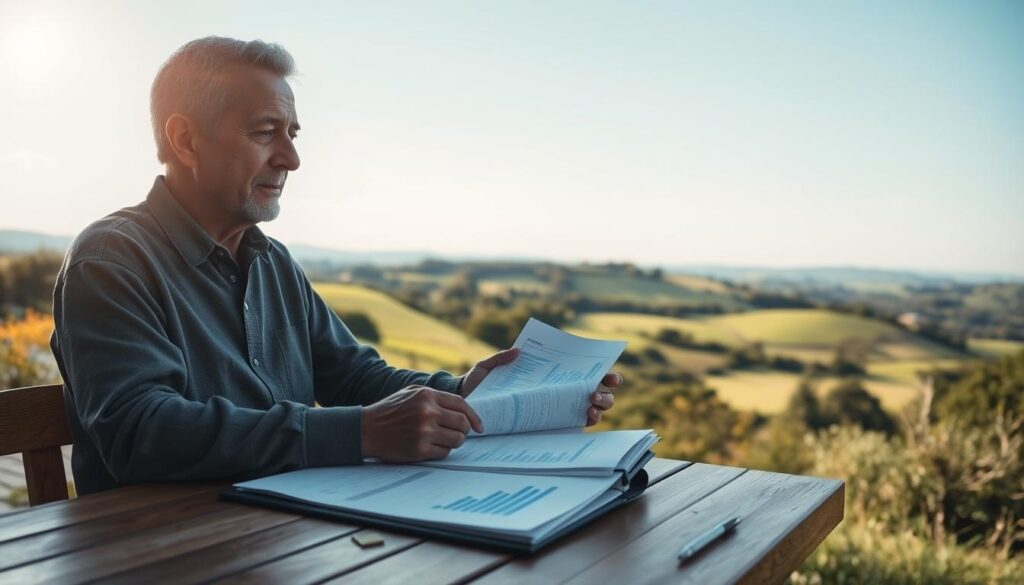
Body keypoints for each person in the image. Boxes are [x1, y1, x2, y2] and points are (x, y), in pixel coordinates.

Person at [50, 37, 620, 496]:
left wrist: (465, 391)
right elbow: (138, 431)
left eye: (292, 135)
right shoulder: (111, 261)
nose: (291, 159)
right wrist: (359, 429)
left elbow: (353, 376)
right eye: (264, 132)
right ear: (185, 139)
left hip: (281, 530)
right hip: (159, 549)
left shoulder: (271, 262)